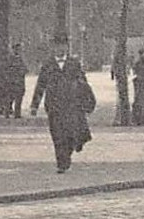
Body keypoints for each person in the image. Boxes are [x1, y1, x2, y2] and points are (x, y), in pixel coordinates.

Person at [29, 35, 96, 173]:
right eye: (57, 46)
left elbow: (83, 84)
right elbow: (40, 85)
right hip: (54, 106)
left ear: (66, 47)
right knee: (57, 135)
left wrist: (87, 102)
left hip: (71, 106)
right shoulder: (47, 65)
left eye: (63, 46)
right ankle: (62, 162)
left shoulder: (74, 63)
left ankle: (69, 150)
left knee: (70, 133)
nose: (60, 49)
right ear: (53, 48)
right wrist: (34, 105)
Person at [0, 44, 27, 118]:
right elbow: (5, 70)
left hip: (19, 82)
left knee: (18, 98)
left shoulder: (20, 59)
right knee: (9, 98)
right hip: (11, 82)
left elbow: (25, 69)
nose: (19, 51)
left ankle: (17, 113)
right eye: (18, 49)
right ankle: (7, 112)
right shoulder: (10, 59)